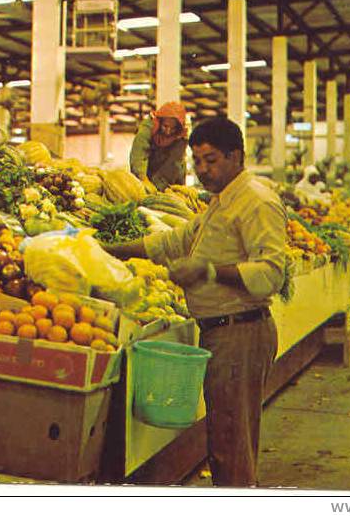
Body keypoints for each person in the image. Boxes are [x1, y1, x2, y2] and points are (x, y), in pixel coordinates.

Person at [106, 116, 286, 487]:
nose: (203, 170)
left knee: (232, 444)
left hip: (241, 333)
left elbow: (270, 272)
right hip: (223, 334)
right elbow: (172, 241)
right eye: (197, 161)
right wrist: (107, 249)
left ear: (236, 156)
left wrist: (208, 270)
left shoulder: (256, 202)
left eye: (212, 160)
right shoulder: (222, 201)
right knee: (225, 438)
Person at [129, 101, 188, 192]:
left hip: (172, 176)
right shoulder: (147, 129)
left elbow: (173, 164)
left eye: (173, 128)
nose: (168, 131)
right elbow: (138, 156)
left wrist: (157, 188)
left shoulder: (181, 137)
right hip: (146, 174)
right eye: (165, 126)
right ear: (159, 122)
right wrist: (143, 180)